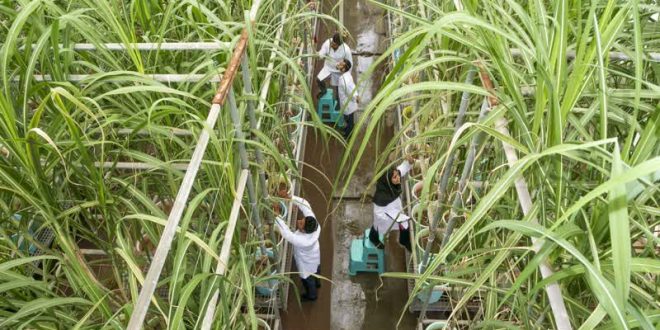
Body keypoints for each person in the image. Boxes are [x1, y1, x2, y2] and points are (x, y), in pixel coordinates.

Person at [274, 192, 321, 302]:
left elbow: (287, 234)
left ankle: (312, 295)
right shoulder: (314, 224)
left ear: (305, 231)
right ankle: (318, 283)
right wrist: (290, 197)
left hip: (305, 260)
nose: (299, 221)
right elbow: (305, 204)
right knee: (317, 269)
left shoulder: (302, 241)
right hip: (314, 254)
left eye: (301, 224)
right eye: (302, 220)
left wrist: (277, 215)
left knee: (307, 279)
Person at [369, 155, 415, 251]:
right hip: (386, 216)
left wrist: (408, 163)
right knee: (378, 226)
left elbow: (400, 170)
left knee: (404, 224)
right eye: (394, 177)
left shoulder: (389, 178)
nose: (398, 178)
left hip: (395, 212)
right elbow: (378, 215)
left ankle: (404, 241)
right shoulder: (381, 198)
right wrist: (393, 216)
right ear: (387, 181)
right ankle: (373, 238)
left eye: (397, 175)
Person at [316, 32, 353, 99]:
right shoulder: (328, 42)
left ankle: (338, 101)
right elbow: (322, 52)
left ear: (340, 45)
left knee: (339, 88)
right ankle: (323, 90)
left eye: (334, 44)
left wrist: (347, 76)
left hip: (338, 71)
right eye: (332, 42)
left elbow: (350, 63)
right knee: (319, 79)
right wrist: (319, 55)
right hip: (328, 67)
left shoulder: (346, 50)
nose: (332, 44)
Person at [336, 60, 360, 139]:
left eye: (341, 64)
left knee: (349, 120)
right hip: (348, 102)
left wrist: (355, 97)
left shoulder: (344, 80)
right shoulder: (347, 75)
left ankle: (348, 135)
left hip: (348, 103)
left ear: (344, 69)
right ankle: (348, 130)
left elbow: (350, 92)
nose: (339, 64)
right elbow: (352, 87)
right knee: (349, 118)